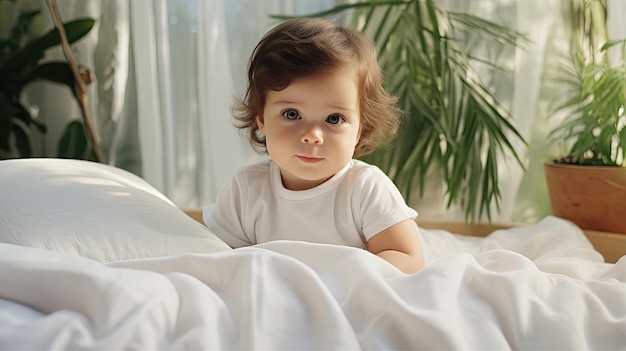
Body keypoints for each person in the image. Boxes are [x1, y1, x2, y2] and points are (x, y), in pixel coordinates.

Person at [203, 17, 425, 273]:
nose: (312, 135)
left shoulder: (364, 188)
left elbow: (408, 258)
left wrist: (342, 280)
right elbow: (220, 258)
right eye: (292, 114)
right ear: (262, 120)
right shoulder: (246, 190)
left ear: (359, 129)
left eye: (334, 119)